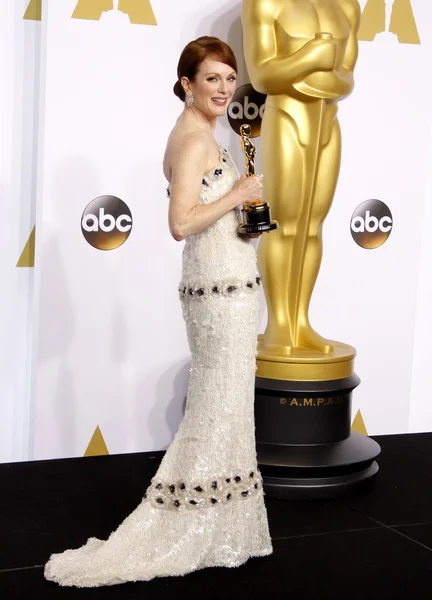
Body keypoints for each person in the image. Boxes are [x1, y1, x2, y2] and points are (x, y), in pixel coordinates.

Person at [44, 36, 273, 587]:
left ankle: (221, 527)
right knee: (216, 407)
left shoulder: (209, 134)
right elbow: (180, 223)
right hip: (218, 295)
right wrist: (238, 195)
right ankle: (191, 526)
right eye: (211, 79)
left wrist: (243, 209)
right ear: (187, 84)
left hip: (230, 286)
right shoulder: (192, 140)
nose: (222, 89)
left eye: (228, 78)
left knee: (227, 407)